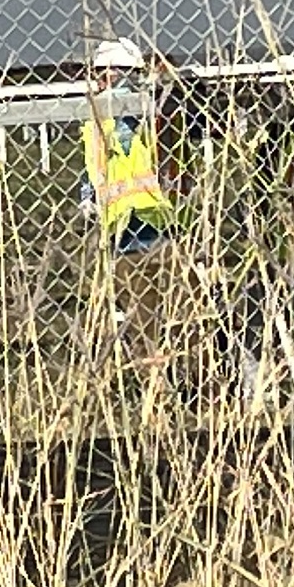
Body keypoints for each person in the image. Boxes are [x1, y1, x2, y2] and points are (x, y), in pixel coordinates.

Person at [78, 37, 178, 358]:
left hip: (128, 225)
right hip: (153, 221)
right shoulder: (145, 105)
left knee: (141, 315)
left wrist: (88, 198)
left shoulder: (113, 110)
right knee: (177, 307)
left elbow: (100, 165)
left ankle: (154, 379)